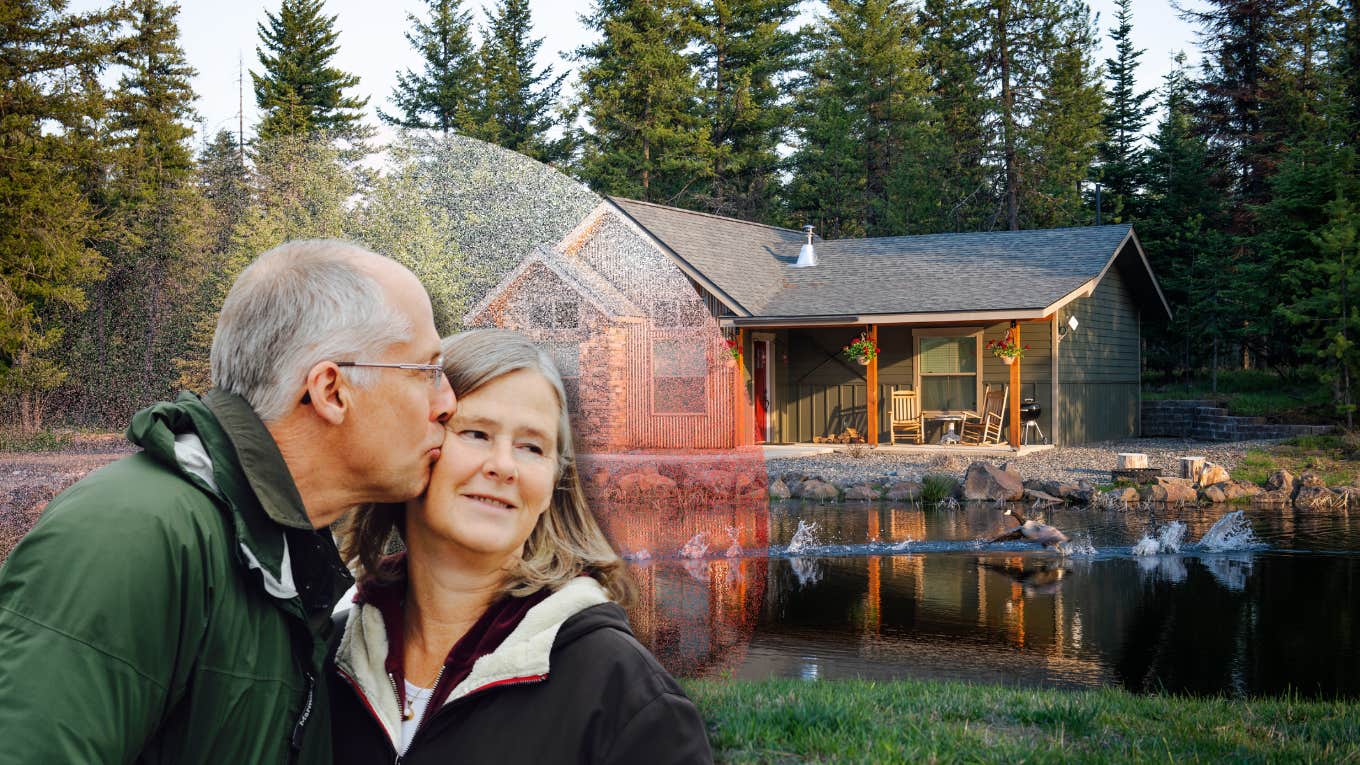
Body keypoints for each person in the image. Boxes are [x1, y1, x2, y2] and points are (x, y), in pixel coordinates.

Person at [0, 240, 456, 764]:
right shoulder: (132, 536)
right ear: (331, 390)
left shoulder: (277, 552)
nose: (448, 403)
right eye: (427, 371)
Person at [329, 329, 713, 764]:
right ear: (417, 444)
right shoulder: (328, 658)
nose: (504, 466)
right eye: (475, 433)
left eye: (531, 446)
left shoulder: (626, 696)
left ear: (553, 483)